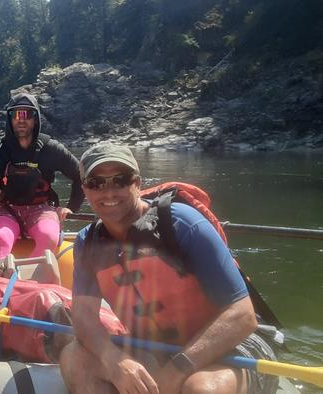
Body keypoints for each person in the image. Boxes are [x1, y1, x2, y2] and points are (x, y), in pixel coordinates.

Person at [59, 143, 278, 394]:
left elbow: (242, 315)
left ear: (137, 184)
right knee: (74, 358)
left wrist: (178, 370)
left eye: (120, 180)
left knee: (201, 389)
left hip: (232, 345)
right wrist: (115, 361)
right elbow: (84, 316)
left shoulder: (182, 224)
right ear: (85, 189)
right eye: (97, 183)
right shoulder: (87, 242)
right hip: (159, 348)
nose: (109, 193)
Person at [0, 92, 83, 261]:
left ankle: (29, 284)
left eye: (28, 114)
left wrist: (71, 207)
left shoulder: (51, 148)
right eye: (16, 114)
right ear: (10, 119)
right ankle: (0, 284)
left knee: (49, 237)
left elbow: (80, 176)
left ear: (35, 119)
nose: (21, 119)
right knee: (2, 238)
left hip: (42, 209)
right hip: (4, 209)